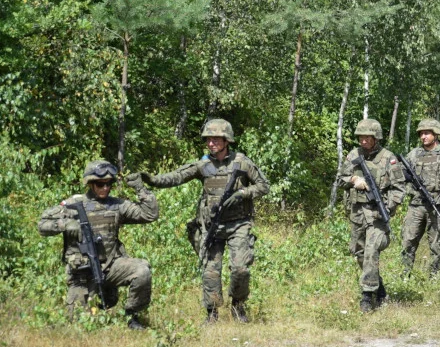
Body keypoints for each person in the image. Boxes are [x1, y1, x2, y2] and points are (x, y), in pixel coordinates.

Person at [138, 119, 269, 323]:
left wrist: (242, 193)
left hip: (239, 224)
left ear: (227, 140)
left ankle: (238, 306)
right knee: (210, 271)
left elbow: (263, 186)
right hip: (212, 226)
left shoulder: (242, 163)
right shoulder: (203, 165)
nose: (210, 143)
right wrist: (152, 180)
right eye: (208, 139)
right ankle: (212, 313)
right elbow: (177, 176)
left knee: (240, 268)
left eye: (215, 139)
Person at [38, 160, 158, 330]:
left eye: (109, 184)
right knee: (78, 325)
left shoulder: (116, 205)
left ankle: (133, 318)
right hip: (83, 275)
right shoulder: (74, 205)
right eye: (101, 184)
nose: (105, 188)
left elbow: (150, 214)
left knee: (142, 270)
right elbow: (42, 225)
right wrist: (65, 225)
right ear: (91, 183)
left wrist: (140, 189)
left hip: (110, 267)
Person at [340, 118, 404, 312]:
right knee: (358, 252)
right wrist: (354, 180)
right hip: (358, 213)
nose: (364, 141)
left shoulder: (388, 158)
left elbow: (399, 189)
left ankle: (367, 296)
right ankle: (380, 289)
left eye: (368, 137)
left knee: (371, 251)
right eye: (361, 137)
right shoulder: (353, 155)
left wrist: (388, 207)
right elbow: (340, 178)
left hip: (377, 215)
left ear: (376, 137)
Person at [401, 119, 440, 276]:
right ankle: (405, 274)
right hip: (416, 205)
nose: (423, 136)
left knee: (437, 244)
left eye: (427, 133)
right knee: (408, 241)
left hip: (438, 205)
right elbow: (397, 171)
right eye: (421, 133)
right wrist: (404, 175)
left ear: (436, 134)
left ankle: (435, 276)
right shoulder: (414, 154)